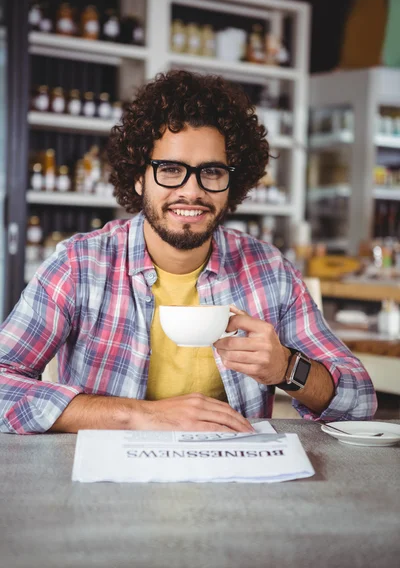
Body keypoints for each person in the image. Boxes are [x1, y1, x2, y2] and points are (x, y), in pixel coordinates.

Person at [0, 70, 376, 434]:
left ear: (234, 182)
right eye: (170, 169)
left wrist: (287, 368)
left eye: (211, 172)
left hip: (234, 480)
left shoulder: (269, 270)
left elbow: (360, 400)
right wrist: (136, 416)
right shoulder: (80, 265)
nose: (192, 191)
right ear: (138, 175)